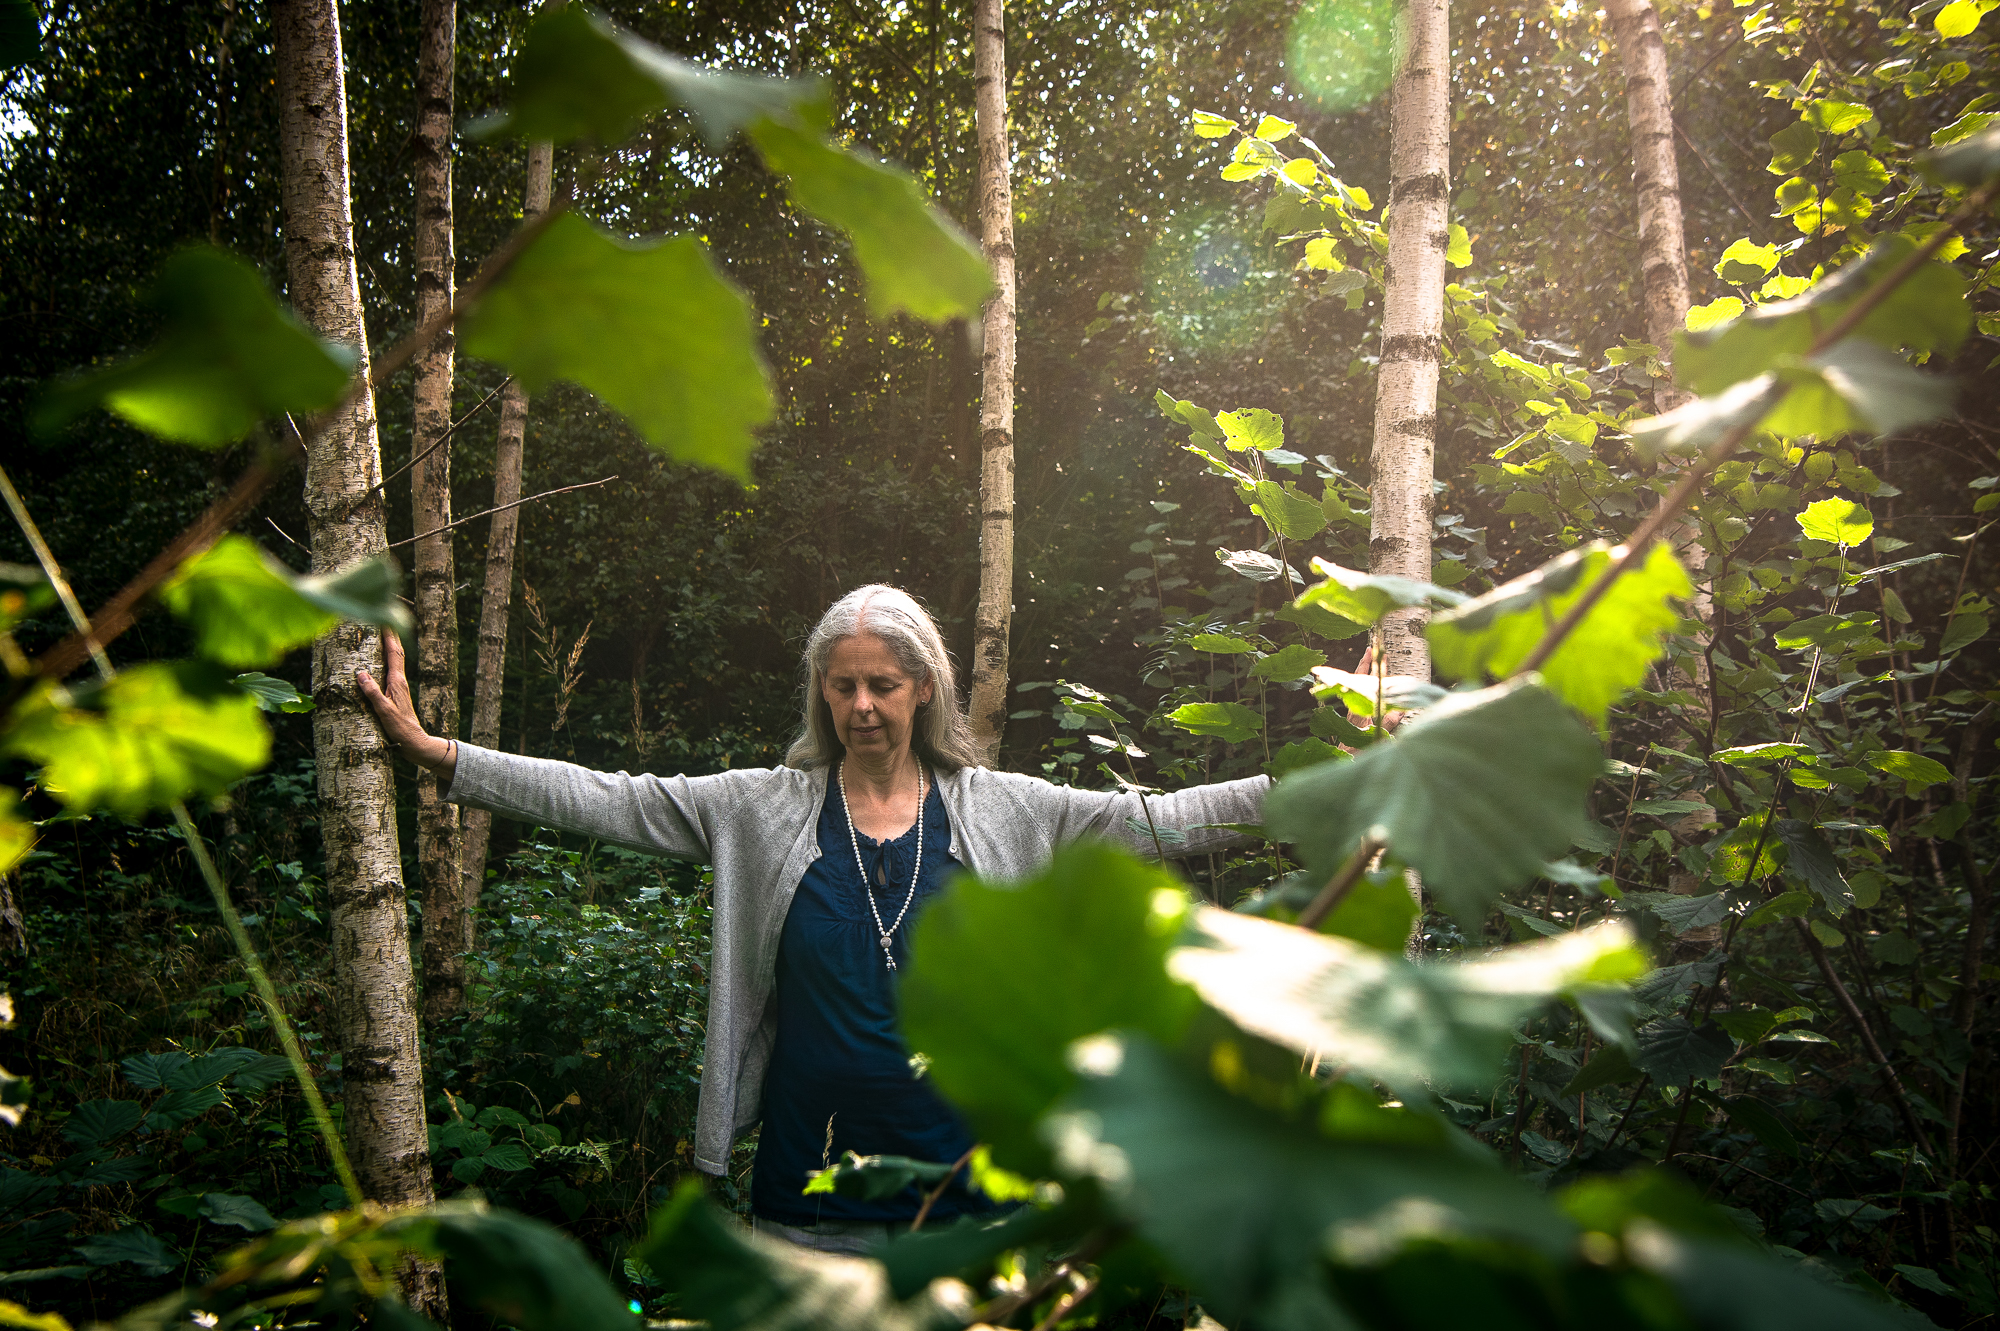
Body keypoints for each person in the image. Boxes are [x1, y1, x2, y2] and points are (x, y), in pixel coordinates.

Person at [359, 584, 1268, 1253]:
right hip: (809, 1190)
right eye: (842, 686)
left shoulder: (1007, 811)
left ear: (922, 689)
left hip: (972, 1193)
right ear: (821, 694)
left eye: (881, 684)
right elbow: (607, 798)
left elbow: (1158, 818)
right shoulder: (760, 809)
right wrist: (441, 756)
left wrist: (1321, 778)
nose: (861, 706)